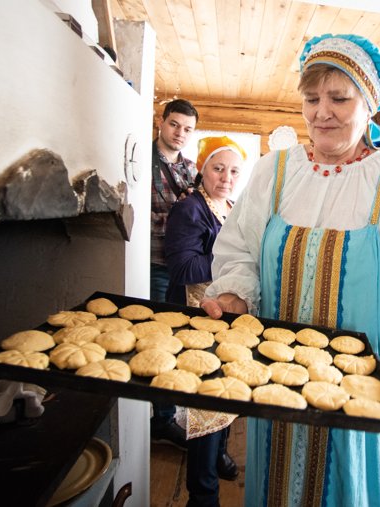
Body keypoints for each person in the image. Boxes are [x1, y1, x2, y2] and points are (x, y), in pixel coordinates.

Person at [201, 34, 380, 506]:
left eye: (339, 98)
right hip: (277, 384)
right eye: (311, 98)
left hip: (365, 392)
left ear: (368, 106)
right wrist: (236, 295)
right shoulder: (273, 172)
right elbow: (238, 249)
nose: (321, 112)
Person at [165, 136, 246, 506]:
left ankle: (218, 456)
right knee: (204, 402)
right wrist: (233, 261)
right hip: (196, 315)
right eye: (218, 168)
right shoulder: (190, 209)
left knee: (225, 390)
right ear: (202, 169)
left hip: (225, 315)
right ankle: (202, 490)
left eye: (233, 170)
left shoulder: (229, 206)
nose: (226, 177)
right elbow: (182, 267)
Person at [150, 98, 199, 450]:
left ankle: (164, 413)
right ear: (161, 122)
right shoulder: (141, 159)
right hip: (154, 264)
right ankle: (162, 420)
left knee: (180, 338)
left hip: (183, 267)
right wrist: (182, 222)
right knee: (157, 341)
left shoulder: (192, 168)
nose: (180, 133)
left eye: (187, 129)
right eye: (175, 125)